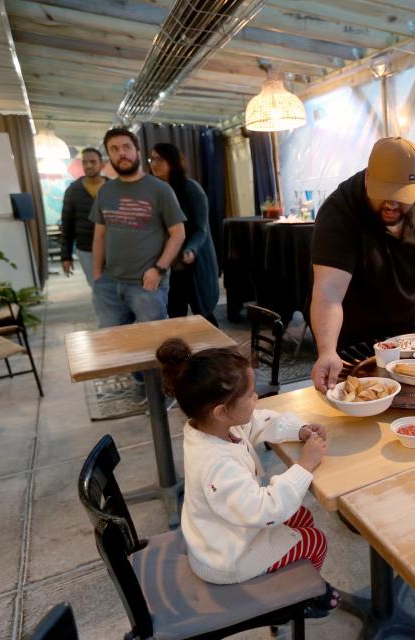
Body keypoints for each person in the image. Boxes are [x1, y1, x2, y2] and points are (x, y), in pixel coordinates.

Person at [155, 338, 340, 615]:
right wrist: (304, 464)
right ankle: (301, 596)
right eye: (251, 394)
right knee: (316, 540)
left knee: (302, 517)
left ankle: (297, 581)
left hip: (225, 532)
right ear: (222, 411)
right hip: (225, 558)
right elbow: (265, 510)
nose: (256, 399)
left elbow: (257, 421)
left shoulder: (212, 426)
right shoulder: (216, 464)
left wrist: (299, 430)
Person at [310, 137, 415, 392]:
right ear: (368, 177)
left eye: (400, 196)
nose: (391, 204)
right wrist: (327, 350)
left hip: (407, 338)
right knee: (361, 411)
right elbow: (329, 293)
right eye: (383, 194)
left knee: (412, 405)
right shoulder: (339, 212)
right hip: (353, 344)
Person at [90, 128, 185, 329]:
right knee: (113, 344)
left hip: (147, 284)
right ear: (109, 156)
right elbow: (99, 236)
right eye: (114, 149)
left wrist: (159, 270)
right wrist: (97, 276)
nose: (121, 153)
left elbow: (178, 234)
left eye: (126, 147)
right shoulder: (105, 191)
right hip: (109, 284)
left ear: (138, 152)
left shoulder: (160, 189)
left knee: (153, 345)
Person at [148, 142, 220, 325]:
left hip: (194, 261)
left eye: (160, 159)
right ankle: (180, 352)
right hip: (169, 263)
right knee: (175, 315)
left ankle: (218, 351)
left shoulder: (191, 188)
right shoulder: (154, 190)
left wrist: (191, 249)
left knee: (204, 315)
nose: (154, 163)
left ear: (172, 162)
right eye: (152, 159)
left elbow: (201, 228)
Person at [60, 147, 105, 286]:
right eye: (85, 162)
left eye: (93, 162)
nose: (88, 165)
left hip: (113, 248)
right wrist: (66, 256)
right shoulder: (73, 190)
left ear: (101, 164)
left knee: (119, 288)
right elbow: (67, 226)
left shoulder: (113, 187)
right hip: (86, 249)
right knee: (97, 288)